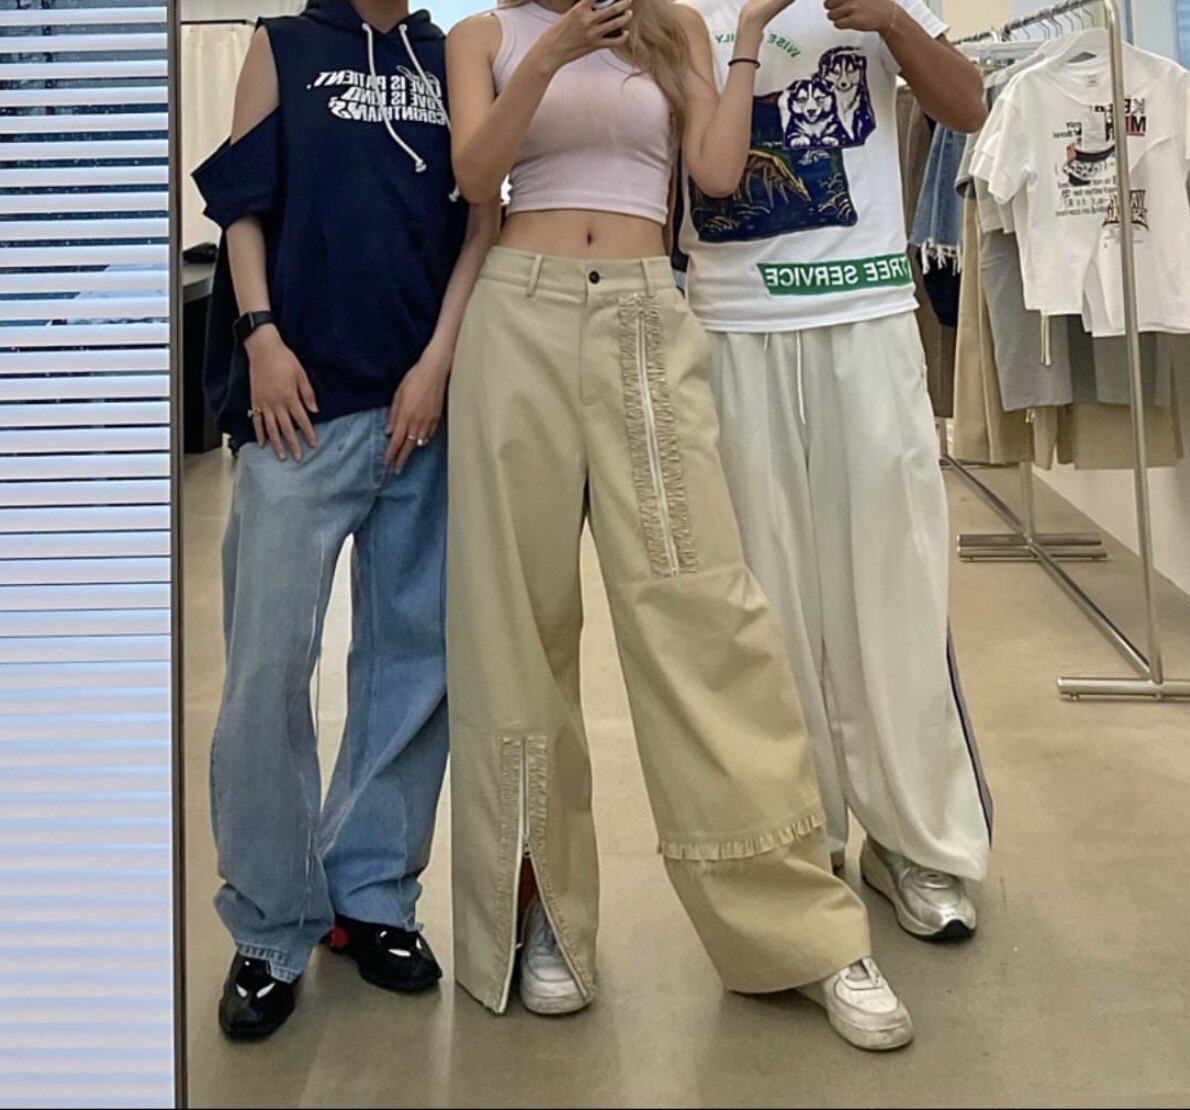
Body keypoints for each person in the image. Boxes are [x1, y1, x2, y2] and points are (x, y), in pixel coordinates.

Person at [444, 0, 914, 1051]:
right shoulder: (484, 35)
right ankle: (540, 915)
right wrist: (555, 51)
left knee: (707, 620)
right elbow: (478, 176)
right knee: (513, 631)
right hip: (516, 312)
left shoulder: (671, 32)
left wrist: (743, 34)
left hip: (646, 315)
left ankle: (802, 932)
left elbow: (714, 172)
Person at [192, 0, 497, 1040]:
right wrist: (260, 334)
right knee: (267, 670)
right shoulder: (282, 44)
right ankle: (271, 921)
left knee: (412, 663)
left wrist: (439, 363)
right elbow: (242, 205)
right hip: (298, 410)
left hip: (419, 410)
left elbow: (481, 221)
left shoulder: (448, 54)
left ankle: (371, 895)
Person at [676, 0, 994, 942]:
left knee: (894, 586)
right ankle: (796, 840)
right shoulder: (677, 11)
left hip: (865, 314)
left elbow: (967, 104)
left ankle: (917, 840)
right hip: (731, 326)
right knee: (761, 605)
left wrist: (891, 21)